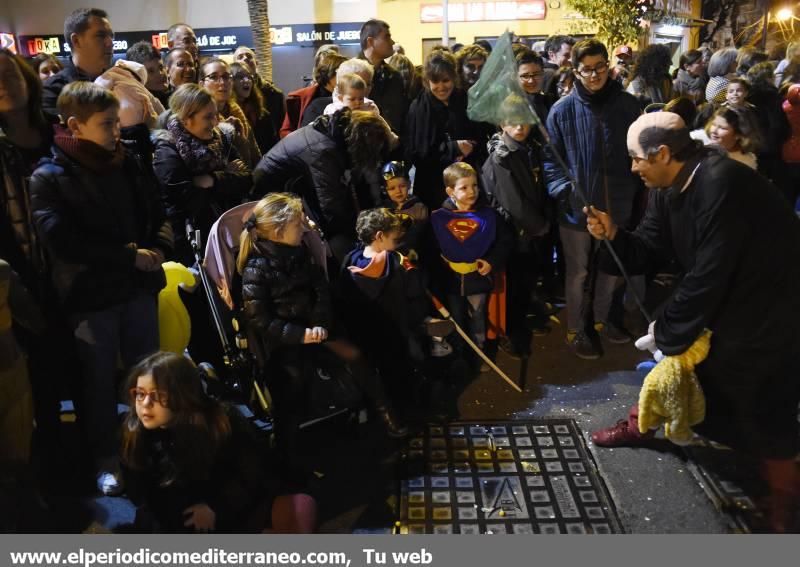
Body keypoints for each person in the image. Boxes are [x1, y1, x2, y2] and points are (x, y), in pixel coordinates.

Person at [587, 111, 800, 533]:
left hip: (774, 310)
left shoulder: (721, 183)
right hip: (731, 301)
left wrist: (669, 331)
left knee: (763, 406)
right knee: (683, 368)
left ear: (662, 153)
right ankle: (642, 423)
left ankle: (783, 504)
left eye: (636, 159)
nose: (633, 168)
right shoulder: (669, 184)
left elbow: (709, 273)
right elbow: (649, 245)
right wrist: (615, 236)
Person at [30, 82, 173, 496]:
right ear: (74, 125)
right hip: (90, 296)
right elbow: (63, 241)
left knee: (147, 374)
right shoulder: (49, 177)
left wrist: (160, 247)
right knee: (96, 383)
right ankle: (108, 458)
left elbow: (157, 210)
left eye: (116, 121)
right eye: (106, 123)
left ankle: (149, 449)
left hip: (137, 287)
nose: (116, 130)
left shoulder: (127, 163)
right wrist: (130, 255)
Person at [238, 193, 408, 441]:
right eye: (298, 225)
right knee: (291, 382)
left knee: (355, 355)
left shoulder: (300, 252)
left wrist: (319, 322)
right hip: (286, 339)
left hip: (316, 327)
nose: (304, 229)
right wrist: (300, 335)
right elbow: (260, 319)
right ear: (278, 230)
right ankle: (287, 443)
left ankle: (385, 411)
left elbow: (320, 289)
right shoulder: (256, 268)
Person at [121, 351, 316, 533]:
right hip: (179, 522)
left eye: (157, 396)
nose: (144, 404)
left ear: (183, 394)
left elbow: (250, 474)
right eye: (140, 394)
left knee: (300, 508)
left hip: (230, 505)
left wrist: (215, 508)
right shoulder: (137, 433)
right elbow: (150, 500)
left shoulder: (221, 420)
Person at [543, 38, 641, 359]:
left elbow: (638, 153)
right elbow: (550, 163)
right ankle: (576, 329)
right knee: (579, 273)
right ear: (576, 71)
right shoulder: (561, 111)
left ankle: (602, 321)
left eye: (600, 67)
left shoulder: (627, 106)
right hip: (577, 211)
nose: (596, 75)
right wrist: (568, 194)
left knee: (611, 269)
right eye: (588, 70)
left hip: (618, 205)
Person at [254, 109, 391, 263]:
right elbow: (332, 209)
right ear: (362, 144)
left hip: (287, 193)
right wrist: (362, 234)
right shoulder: (323, 151)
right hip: (271, 201)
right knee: (342, 244)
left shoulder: (331, 133)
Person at [152, 83, 251, 266]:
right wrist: (226, 175)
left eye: (215, 115)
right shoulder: (167, 151)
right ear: (185, 119)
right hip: (192, 243)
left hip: (227, 233)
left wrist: (213, 180)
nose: (215, 123)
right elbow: (186, 199)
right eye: (208, 117)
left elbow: (246, 179)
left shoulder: (223, 139)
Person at [482, 95, 550, 358]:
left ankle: (518, 324)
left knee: (523, 284)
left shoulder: (525, 149)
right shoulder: (502, 156)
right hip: (513, 232)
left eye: (524, 122)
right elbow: (514, 203)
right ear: (502, 124)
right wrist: (540, 225)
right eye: (513, 122)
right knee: (512, 288)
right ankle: (509, 333)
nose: (520, 127)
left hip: (525, 232)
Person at [429, 162, 511, 368]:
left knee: (478, 317)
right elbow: (431, 246)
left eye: (474, 185)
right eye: (464, 187)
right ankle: (462, 354)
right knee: (456, 317)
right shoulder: (439, 218)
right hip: (451, 280)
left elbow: (505, 241)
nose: (472, 191)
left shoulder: (489, 215)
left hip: (478, 279)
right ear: (450, 191)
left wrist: (491, 261)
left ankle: (480, 352)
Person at [405, 50, 485, 211]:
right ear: (427, 81)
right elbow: (418, 152)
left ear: (454, 78)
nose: (441, 87)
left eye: (446, 80)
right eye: (435, 81)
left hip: (467, 186)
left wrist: (471, 147)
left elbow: (480, 135)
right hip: (433, 187)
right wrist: (453, 148)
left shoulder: (465, 99)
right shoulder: (420, 108)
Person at [42, 7, 114, 116]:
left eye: (111, 36)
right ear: (76, 41)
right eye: (100, 36)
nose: (110, 43)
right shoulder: (53, 90)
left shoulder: (120, 80)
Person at [200, 58, 261, 169]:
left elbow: (255, 154)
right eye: (213, 77)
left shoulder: (237, 113)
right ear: (201, 84)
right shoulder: (199, 118)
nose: (222, 82)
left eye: (226, 77)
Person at [359, 19, 409, 136]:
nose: (392, 42)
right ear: (370, 41)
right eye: (386, 37)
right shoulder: (352, 73)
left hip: (393, 146)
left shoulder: (394, 76)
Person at [279, 51, 346, 138]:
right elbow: (285, 131)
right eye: (342, 73)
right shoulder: (302, 97)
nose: (347, 77)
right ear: (329, 74)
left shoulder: (351, 95)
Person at [233, 46, 286, 138]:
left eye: (249, 56)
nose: (245, 58)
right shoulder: (226, 99)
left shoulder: (274, 95)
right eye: (240, 57)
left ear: (256, 63)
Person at [231, 62, 279, 155]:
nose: (246, 80)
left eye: (249, 77)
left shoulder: (262, 114)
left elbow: (273, 146)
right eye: (240, 77)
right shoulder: (226, 112)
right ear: (230, 81)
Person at [626, 44, 673, 109]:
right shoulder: (637, 85)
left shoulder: (664, 81)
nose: (671, 63)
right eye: (666, 60)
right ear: (655, 63)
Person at [125, 40, 170, 108]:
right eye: (150, 71)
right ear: (137, 76)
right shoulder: (138, 108)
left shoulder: (178, 97)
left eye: (161, 67)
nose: (160, 74)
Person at [516, 49, 550, 123]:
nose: (531, 81)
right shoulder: (511, 107)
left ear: (543, 73)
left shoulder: (549, 100)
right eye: (525, 76)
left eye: (536, 74)